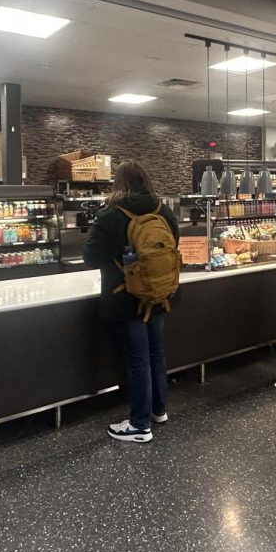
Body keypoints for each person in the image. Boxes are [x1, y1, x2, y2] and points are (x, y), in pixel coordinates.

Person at [83, 159, 180, 443]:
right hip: (159, 294)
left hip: (124, 298)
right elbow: (174, 243)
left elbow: (90, 258)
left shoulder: (110, 214)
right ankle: (158, 410)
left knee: (138, 360)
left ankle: (139, 425)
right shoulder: (164, 210)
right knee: (156, 354)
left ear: (118, 182)